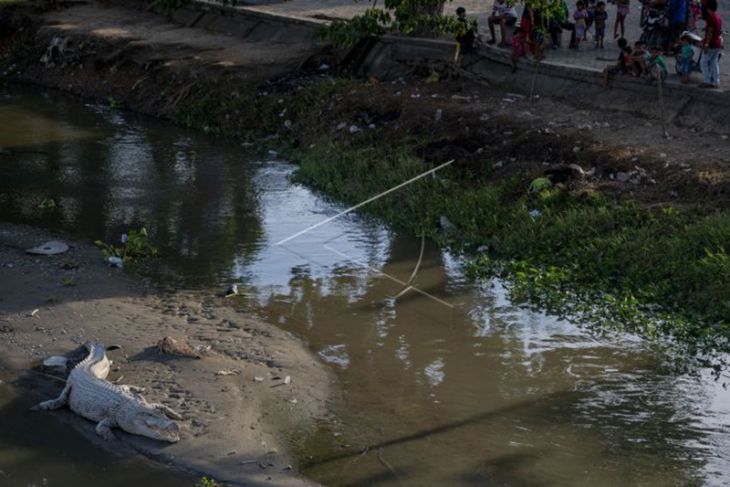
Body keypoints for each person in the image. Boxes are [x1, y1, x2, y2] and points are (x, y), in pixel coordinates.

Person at [699, 0, 722, 88]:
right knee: (714, 63)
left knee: (703, 62)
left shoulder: (711, 18)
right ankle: (716, 82)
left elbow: (710, 32)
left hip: (711, 44)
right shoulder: (718, 17)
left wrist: (706, 44)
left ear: (708, 7)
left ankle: (707, 81)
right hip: (717, 43)